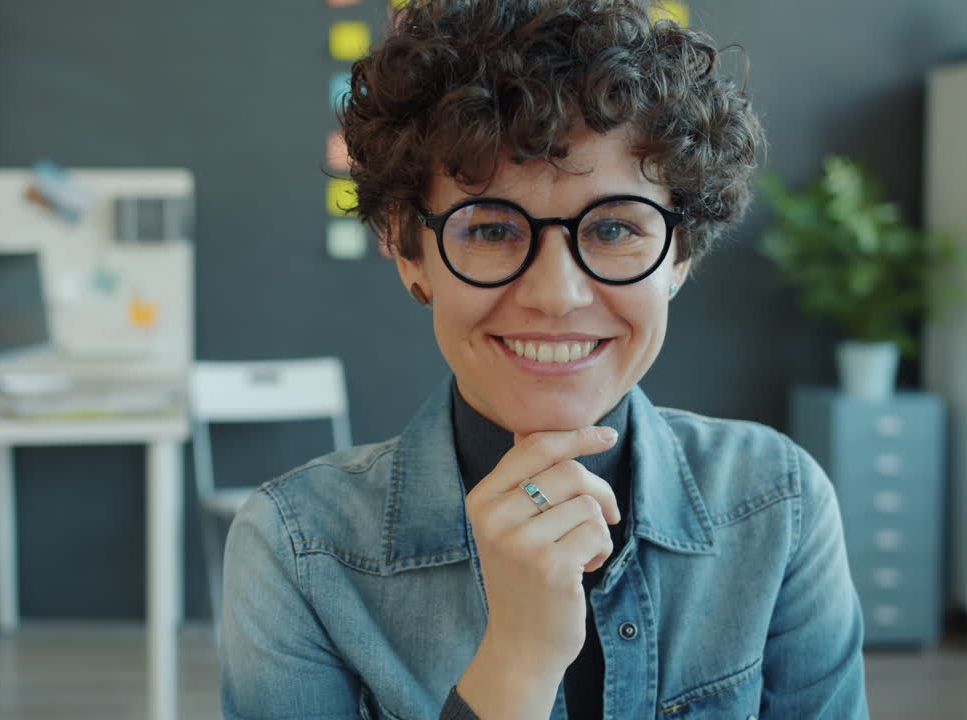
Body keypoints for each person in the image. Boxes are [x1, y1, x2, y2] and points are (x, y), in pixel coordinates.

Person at [220, 1, 868, 718]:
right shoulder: (300, 549)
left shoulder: (777, 506)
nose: (556, 295)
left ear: (680, 254)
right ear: (410, 250)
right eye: (492, 229)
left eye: (616, 227)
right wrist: (518, 664)